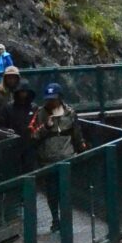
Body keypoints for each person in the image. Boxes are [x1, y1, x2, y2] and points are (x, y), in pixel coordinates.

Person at [37, 89, 79, 227]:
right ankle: (55, 218)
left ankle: (66, 218)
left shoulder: (70, 113)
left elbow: (77, 133)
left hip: (67, 157)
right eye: (48, 99)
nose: (51, 102)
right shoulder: (40, 114)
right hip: (48, 159)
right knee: (52, 191)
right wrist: (46, 127)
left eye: (53, 99)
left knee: (66, 190)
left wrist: (80, 148)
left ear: (60, 98)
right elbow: (34, 135)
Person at [0, 66, 38, 149]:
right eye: (9, 77)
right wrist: (0, 131)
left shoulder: (33, 107)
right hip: (10, 138)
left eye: (14, 77)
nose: (11, 80)